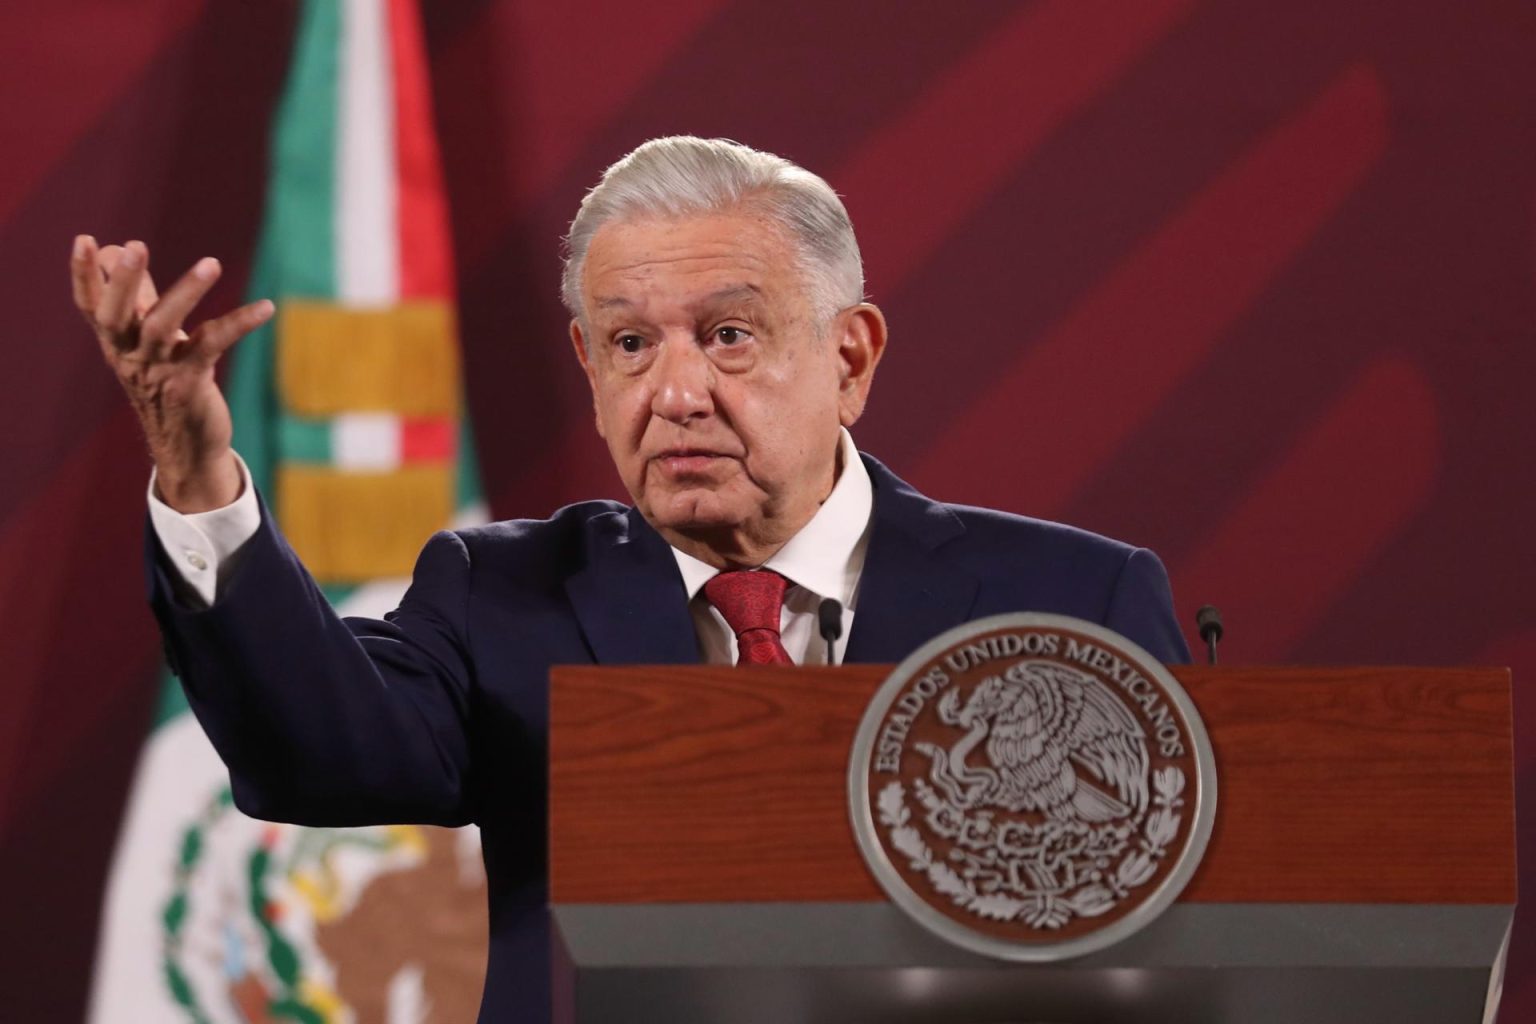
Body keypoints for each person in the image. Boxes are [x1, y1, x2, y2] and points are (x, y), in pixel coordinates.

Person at [73, 136, 1189, 1022]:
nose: (676, 392)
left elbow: (1188, 943)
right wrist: (198, 471)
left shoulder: (1074, 602)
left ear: (850, 358)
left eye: (730, 335)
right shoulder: (500, 593)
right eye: (630, 345)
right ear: (589, 367)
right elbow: (318, 754)